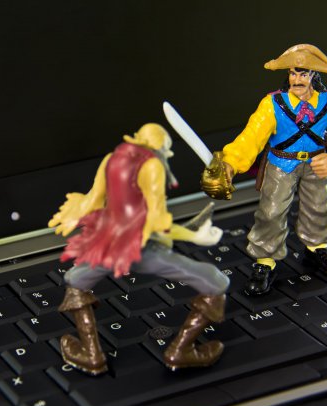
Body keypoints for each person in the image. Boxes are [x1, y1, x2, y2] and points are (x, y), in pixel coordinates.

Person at [49, 123, 230, 375]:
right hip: (142, 250)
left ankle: (91, 354)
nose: (169, 154)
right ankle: (181, 351)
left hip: (109, 247)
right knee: (216, 283)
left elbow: (93, 201)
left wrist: (75, 219)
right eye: (167, 148)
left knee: (75, 282)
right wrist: (195, 236)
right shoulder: (153, 166)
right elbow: (156, 222)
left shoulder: (112, 159)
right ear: (160, 146)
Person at [201, 44, 327, 296]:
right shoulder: (273, 104)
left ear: (313, 75)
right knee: (271, 211)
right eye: (292, 73)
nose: (296, 79)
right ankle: (265, 260)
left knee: (319, 206)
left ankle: (317, 248)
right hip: (281, 164)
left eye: (303, 74)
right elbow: (251, 138)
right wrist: (230, 163)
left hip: (316, 164)